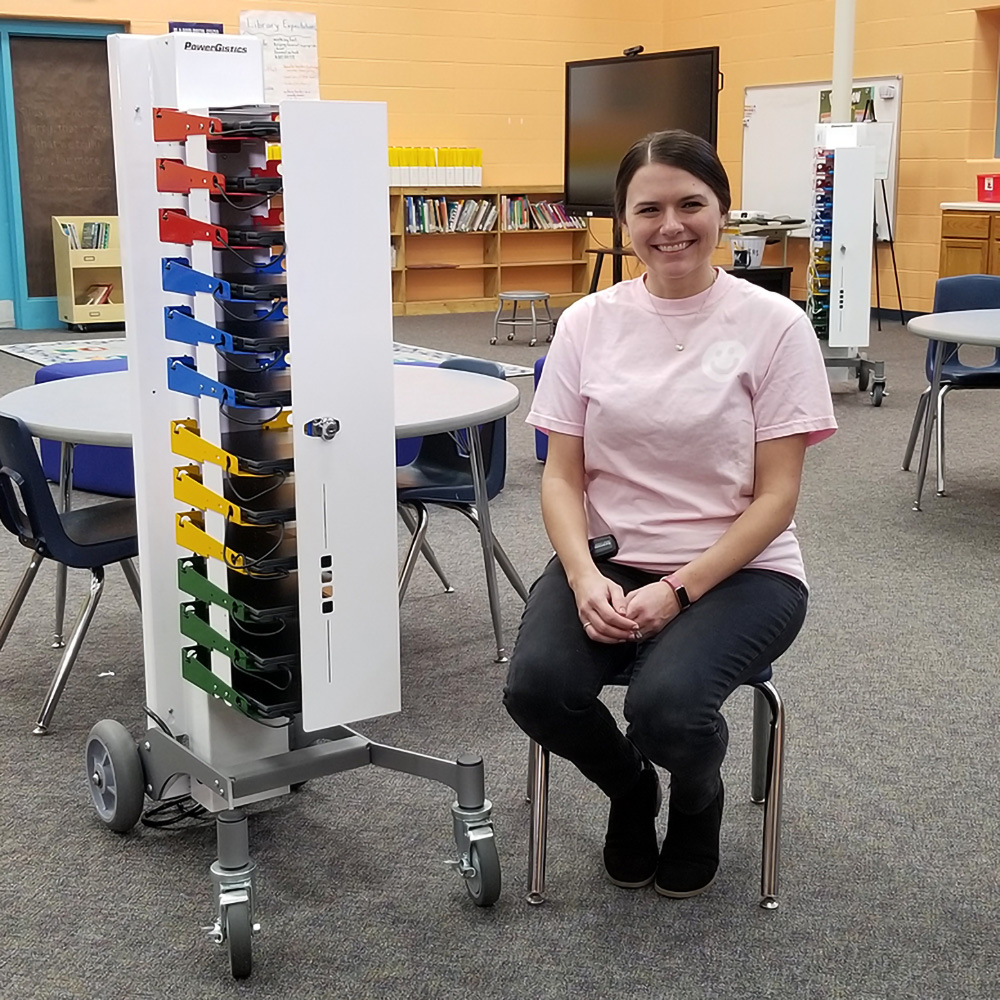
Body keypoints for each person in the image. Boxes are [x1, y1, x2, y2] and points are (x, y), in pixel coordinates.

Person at [503, 129, 837, 898]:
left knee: (667, 710)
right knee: (538, 689)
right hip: (613, 557)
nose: (672, 225)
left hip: (743, 570)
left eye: (692, 203)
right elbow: (561, 478)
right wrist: (585, 577)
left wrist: (680, 589)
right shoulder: (588, 323)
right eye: (648, 208)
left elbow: (777, 496)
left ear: (723, 211)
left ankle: (696, 797)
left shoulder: (774, 324)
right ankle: (631, 790)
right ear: (624, 221)